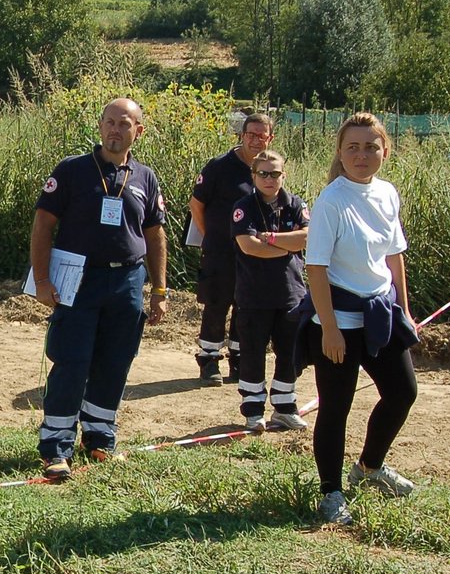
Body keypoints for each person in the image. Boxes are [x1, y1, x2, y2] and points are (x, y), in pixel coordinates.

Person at [30, 98, 168, 479]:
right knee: (71, 361)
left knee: (115, 362)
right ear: (99, 126)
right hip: (79, 278)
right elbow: (43, 224)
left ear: (138, 131)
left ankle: (99, 439)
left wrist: (159, 290)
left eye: (124, 124)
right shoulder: (72, 170)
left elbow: (155, 234)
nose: (115, 130)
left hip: (127, 281)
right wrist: (42, 279)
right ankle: (56, 446)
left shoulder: (145, 177)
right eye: (109, 122)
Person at [302, 113, 419, 525]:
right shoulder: (331, 201)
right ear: (340, 152)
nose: (362, 154)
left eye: (371, 146)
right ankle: (331, 493)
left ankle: (369, 468)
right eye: (353, 147)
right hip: (338, 322)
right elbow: (315, 268)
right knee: (336, 407)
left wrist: (404, 309)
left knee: (402, 392)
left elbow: (393, 254)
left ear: (385, 151)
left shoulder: (387, 193)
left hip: (380, 313)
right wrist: (330, 329)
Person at [189, 112, 273, 383]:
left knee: (245, 308)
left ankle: (238, 361)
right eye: (251, 134)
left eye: (262, 135)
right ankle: (209, 360)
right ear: (242, 136)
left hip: (252, 255)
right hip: (220, 252)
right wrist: (210, 236)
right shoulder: (219, 167)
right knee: (216, 305)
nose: (256, 140)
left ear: (270, 138)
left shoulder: (269, 168)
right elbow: (196, 205)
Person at [230, 150, 310, 433]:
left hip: (290, 295)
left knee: (289, 353)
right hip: (253, 296)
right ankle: (253, 410)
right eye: (263, 173)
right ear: (254, 176)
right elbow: (248, 246)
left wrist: (272, 239)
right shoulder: (244, 206)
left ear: (283, 175)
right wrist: (285, 246)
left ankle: (285, 407)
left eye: (275, 173)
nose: (269, 178)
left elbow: (304, 239)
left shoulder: (296, 204)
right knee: (252, 353)